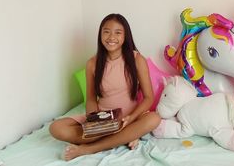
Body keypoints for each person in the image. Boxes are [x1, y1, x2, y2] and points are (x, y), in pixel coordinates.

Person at [49, 13, 161, 160]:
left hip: (129, 119)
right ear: (100, 35)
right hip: (103, 119)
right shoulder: (92, 63)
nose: (111, 37)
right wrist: (95, 123)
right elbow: (90, 99)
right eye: (106, 31)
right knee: (55, 128)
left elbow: (148, 97)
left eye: (118, 33)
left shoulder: (137, 59)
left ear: (125, 36)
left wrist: (130, 118)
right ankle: (123, 136)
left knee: (154, 118)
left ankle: (90, 148)